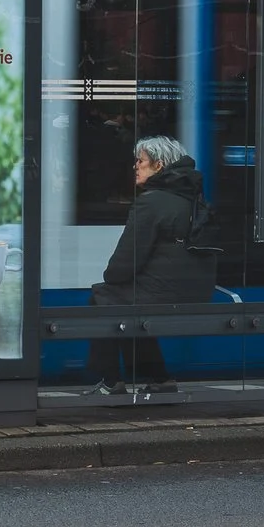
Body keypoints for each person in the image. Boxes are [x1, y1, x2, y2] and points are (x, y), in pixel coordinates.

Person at [88, 134, 215, 399]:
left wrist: (110, 277)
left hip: (165, 293)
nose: (135, 166)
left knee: (102, 298)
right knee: (129, 305)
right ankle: (160, 379)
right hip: (196, 292)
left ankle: (110, 381)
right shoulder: (191, 198)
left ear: (159, 166)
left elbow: (127, 258)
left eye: (141, 161)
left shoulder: (152, 202)